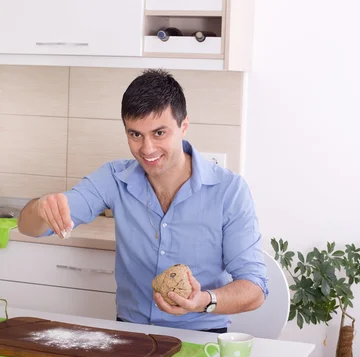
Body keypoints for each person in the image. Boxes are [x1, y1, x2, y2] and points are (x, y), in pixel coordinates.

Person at [18, 68, 268, 333]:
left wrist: (204, 301)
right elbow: (28, 227)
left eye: (159, 133)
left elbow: (255, 288)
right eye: (135, 134)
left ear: (183, 126)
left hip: (201, 336)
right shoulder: (114, 177)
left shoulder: (229, 190)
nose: (147, 149)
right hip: (131, 333)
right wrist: (41, 207)